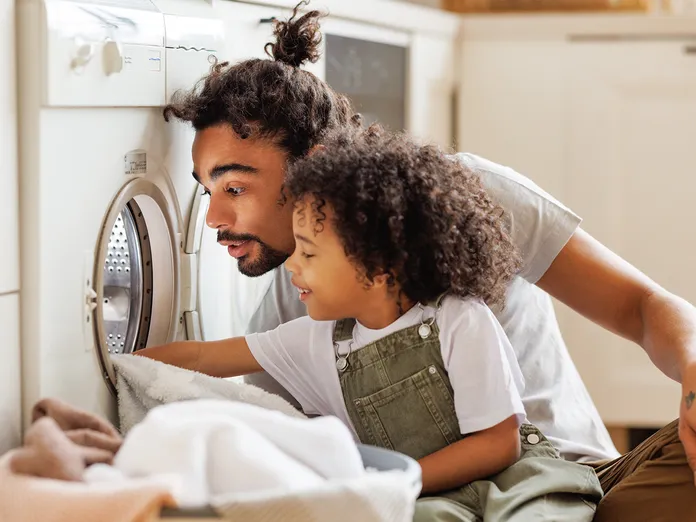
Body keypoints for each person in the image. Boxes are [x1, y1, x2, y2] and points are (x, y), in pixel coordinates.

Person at [160, 3, 696, 520]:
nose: (214, 218)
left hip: (568, 482)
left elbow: (642, 306)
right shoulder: (301, 304)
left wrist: (693, 367)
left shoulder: (464, 195)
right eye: (207, 191)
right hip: (437, 504)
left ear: (314, 164)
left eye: (235, 185)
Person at [138, 128, 603, 520]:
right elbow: (203, 356)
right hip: (432, 498)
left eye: (309, 252)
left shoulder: (460, 320)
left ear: (379, 267)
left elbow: (498, 444)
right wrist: (121, 365)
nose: (291, 265)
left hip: (513, 482)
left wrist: (401, 479)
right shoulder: (317, 339)